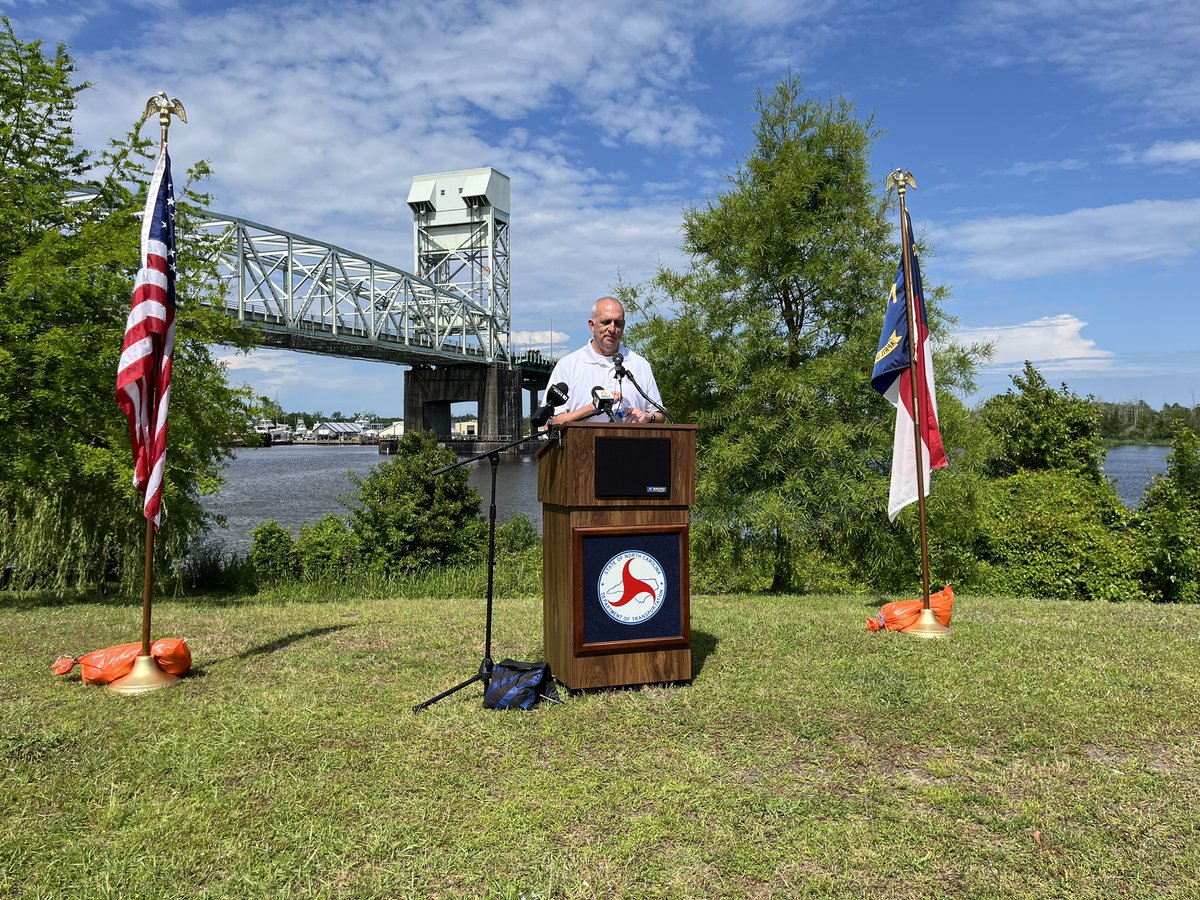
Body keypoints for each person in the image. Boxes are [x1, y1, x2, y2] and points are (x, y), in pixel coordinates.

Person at [547, 296, 664, 426]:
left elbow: (659, 414)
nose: (612, 329)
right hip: (583, 445)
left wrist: (648, 417)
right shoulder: (568, 365)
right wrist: (594, 406)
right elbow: (551, 423)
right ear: (592, 325)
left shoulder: (640, 364)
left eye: (617, 323)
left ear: (623, 326)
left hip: (632, 444)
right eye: (606, 322)